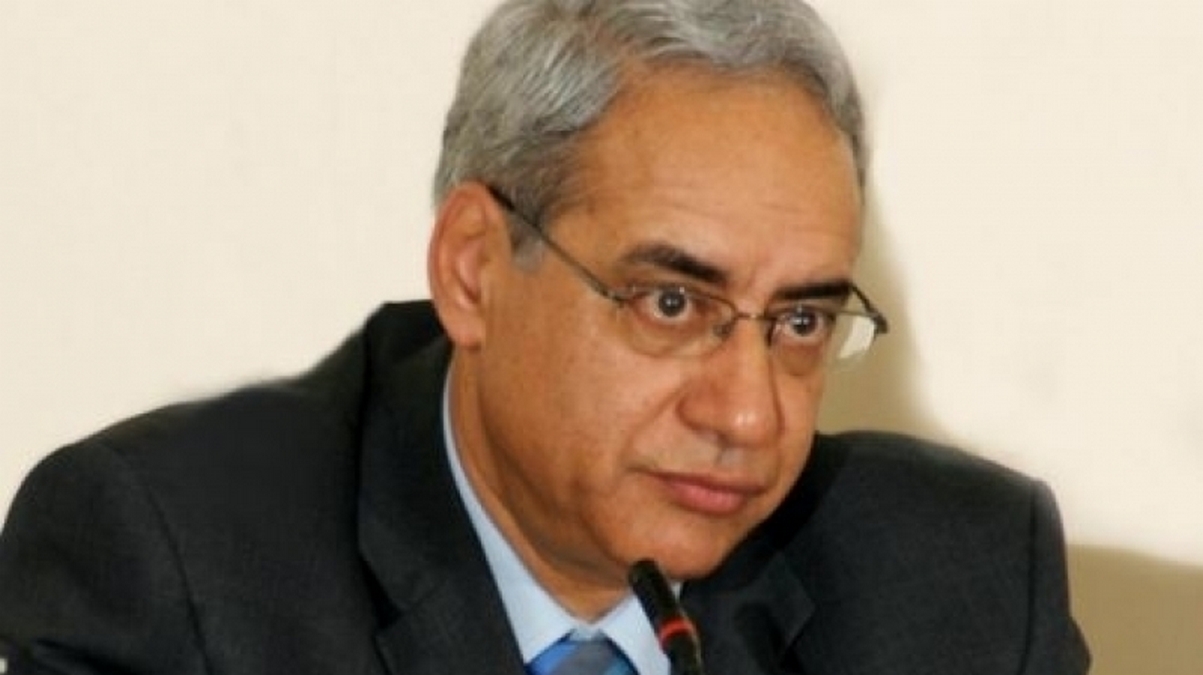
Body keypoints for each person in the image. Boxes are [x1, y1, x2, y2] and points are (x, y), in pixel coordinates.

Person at [0, 0, 1090, 673]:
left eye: (800, 321)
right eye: (672, 304)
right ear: (474, 270)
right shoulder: (172, 572)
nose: (749, 414)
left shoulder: (968, 586)